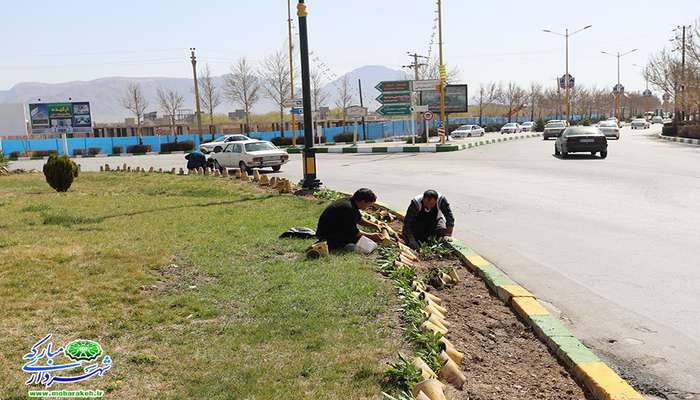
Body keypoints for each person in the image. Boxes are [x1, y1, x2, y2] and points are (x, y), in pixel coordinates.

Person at [316, 188, 384, 252]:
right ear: (363, 201)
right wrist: (372, 236)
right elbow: (354, 233)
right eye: (369, 205)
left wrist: (375, 225)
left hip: (331, 231)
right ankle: (342, 245)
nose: (369, 207)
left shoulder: (350, 202)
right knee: (368, 247)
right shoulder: (348, 209)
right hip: (328, 236)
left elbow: (359, 219)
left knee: (366, 241)